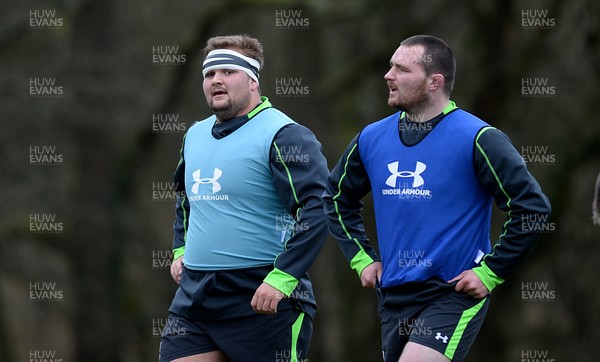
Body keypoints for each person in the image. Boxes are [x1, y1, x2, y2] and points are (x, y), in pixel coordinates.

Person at [323, 35, 552, 362]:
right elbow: (334, 199)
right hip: (393, 295)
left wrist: (490, 272)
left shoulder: (479, 138)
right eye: (390, 66)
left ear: (435, 81)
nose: (388, 76)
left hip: (451, 293)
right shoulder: (371, 138)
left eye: (401, 69)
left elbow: (533, 208)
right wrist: (361, 258)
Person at [159, 34, 328, 362]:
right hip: (196, 297)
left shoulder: (285, 134)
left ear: (253, 80)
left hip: (262, 297)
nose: (216, 80)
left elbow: (318, 208)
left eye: (228, 71)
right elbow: (184, 199)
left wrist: (284, 277)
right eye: (209, 74)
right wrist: (181, 248)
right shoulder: (194, 135)